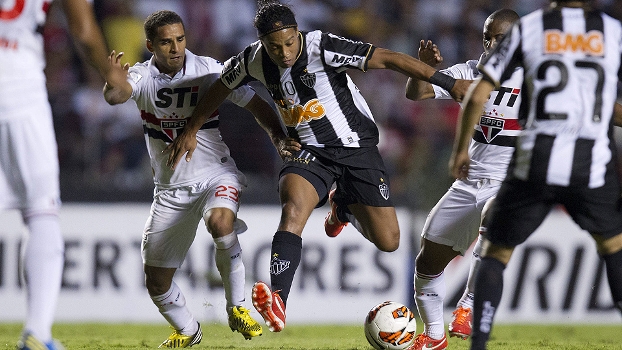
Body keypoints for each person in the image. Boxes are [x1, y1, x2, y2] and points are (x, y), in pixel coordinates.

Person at [165, 0, 471, 333]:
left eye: (289, 42)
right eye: (275, 46)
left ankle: (343, 208)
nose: (284, 52)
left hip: (357, 150)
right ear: (262, 43)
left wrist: (449, 83)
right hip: (308, 152)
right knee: (293, 208)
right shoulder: (252, 60)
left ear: (298, 33)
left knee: (389, 241)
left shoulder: (321, 46)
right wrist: (193, 129)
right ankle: (279, 300)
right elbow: (220, 88)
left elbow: (389, 58)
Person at [102, 10, 293, 348]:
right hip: (170, 189)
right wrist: (113, 83)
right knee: (157, 282)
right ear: (150, 45)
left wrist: (278, 137)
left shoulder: (209, 70)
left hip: (214, 173)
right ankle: (188, 329)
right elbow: (116, 96)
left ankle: (237, 308)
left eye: (180, 39)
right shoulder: (142, 75)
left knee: (222, 224)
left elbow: (257, 104)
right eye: (166, 42)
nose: (175, 48)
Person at [447, 1, 622, 349]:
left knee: (495, 254)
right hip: (590, 164)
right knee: (614, 249)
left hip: (535, 160)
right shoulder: (613, 32)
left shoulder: (529, 28)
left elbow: (480, 92)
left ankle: (477, 342)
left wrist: (460, 150)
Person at [403, 9, 520, 350]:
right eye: (487, 36)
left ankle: (468, 305)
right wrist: (424, 67)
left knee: (492, 222)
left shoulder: (535, 78)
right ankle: (435, 334)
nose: (489, 42)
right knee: (426, 263)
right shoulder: (469, 71)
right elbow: (418, 93)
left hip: (508, 182)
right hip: (469, 182)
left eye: (498, 37)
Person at [0, 1, 111, 349]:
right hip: (18, 83)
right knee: (42, 210)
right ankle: (37, 332)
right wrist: (114, 75)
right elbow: (83, 29)